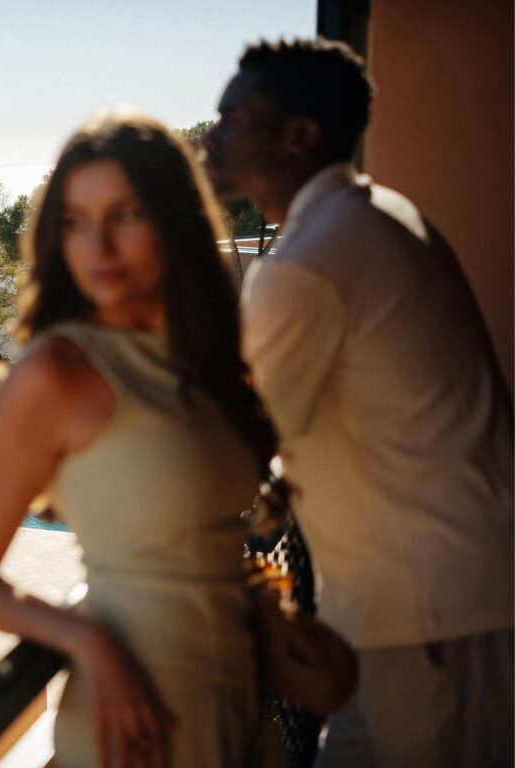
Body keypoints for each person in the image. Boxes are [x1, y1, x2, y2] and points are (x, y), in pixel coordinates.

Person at [202, 38, 513, 767]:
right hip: (422, 609)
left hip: (431, 622)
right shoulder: (388, 213)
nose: (211, 138)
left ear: (299, 136)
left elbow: (227, 448)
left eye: (234, 121)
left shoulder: (309, 265)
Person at [0, 113, 283, 767]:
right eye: (75, 221)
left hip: (242, 712)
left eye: (125, 214)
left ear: (174, 219)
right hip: (138, 734)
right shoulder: (55, 372)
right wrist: (88, 641)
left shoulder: (202, 356)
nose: (97, 245)